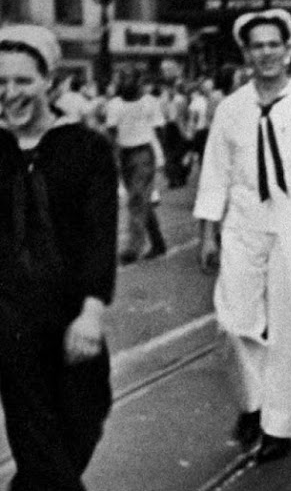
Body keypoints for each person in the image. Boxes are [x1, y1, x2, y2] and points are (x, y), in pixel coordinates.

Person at [192, 9, 291, 464]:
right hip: (242, 225)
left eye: (273, 44)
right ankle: (252, 403)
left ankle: (279, 425)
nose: (266, 53)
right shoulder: (231, 110)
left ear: (287, 49)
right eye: (257, 46)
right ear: (247, 53)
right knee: (233, 322)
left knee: (287, 326)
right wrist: (207, 233)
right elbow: (215, 174)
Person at [0, 25, 115, 491]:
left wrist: (91, 311)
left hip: (72, 314)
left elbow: (99, 235)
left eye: (23, 80)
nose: (10, 93)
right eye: (0, 82)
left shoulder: (86, 149)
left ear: (49, 80)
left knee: (87, 414)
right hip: (9, 319)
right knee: (39, 441)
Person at [105, 73, 167, 264]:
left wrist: (160, 153)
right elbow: (112, 132)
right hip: (126, 154)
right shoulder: (114, 104)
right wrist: (113, 156)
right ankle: (158, 242)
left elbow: (160, 129)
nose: (127, 84)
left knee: (136, 199)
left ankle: (133, 248)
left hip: (143, 153)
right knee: (141, 200)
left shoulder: (150, 102)